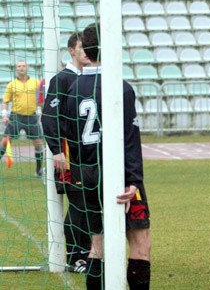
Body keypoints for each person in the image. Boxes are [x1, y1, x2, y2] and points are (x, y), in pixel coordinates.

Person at [63, 24, 151, 289]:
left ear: (86, 52)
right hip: (120, 178)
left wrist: (80, 175)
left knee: (97, 245)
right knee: (140, 242)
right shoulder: (119, 88)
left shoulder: (72, 90)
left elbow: (71, 140)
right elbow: (130, 139)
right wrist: (133, 180)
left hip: (87, 177)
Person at [40, 33, 91, 273]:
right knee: (79, 204)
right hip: (69, 156)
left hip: (91, 154)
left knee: (92, 205)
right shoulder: (62, 79)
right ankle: (75, 257)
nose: (85, 52)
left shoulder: (92, 78)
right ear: (71, 51)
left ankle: (90, 253)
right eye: (81, 48)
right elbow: (50, 116)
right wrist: (57, 150)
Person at [0, 60, 44, 176]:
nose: (21, 68)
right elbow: (5, 101)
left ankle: (38, 170)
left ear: (28, 67)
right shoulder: (11, 84)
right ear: (16, 69)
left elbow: (41, 99)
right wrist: (4, 115)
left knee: (38, 143)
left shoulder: (36, 83)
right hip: (16, 116)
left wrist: (42, 112)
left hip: (32, 116)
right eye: (19, 66)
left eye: (23, 65)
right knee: (4, 141)